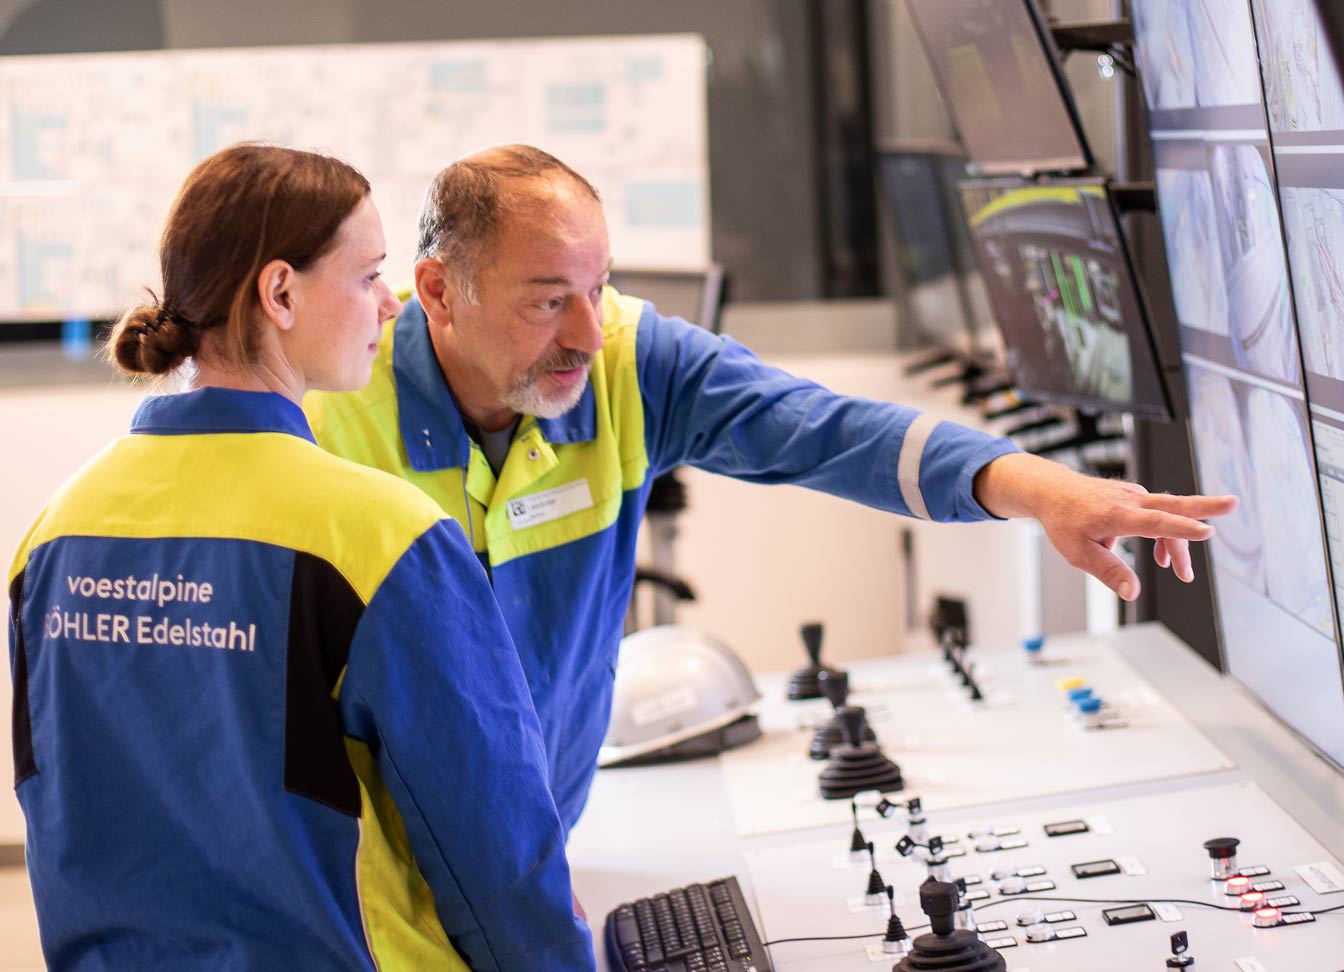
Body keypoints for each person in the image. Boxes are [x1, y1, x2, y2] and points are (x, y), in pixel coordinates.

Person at [305, 144, 1237, 829]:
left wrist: (1032, 486)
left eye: (599, 287)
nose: (589, 332)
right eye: (549, 299)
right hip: (375, 875)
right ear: (437, 289)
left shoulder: (631, 363)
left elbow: (824, 431)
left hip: (543, 837)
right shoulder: (330, 410)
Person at [7, 144, 593, 971]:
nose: (390, 306)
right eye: (367, 276)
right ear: (280, 293)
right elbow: (496, 848)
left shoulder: (52, 536)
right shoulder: (381, 537)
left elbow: (60, 817)